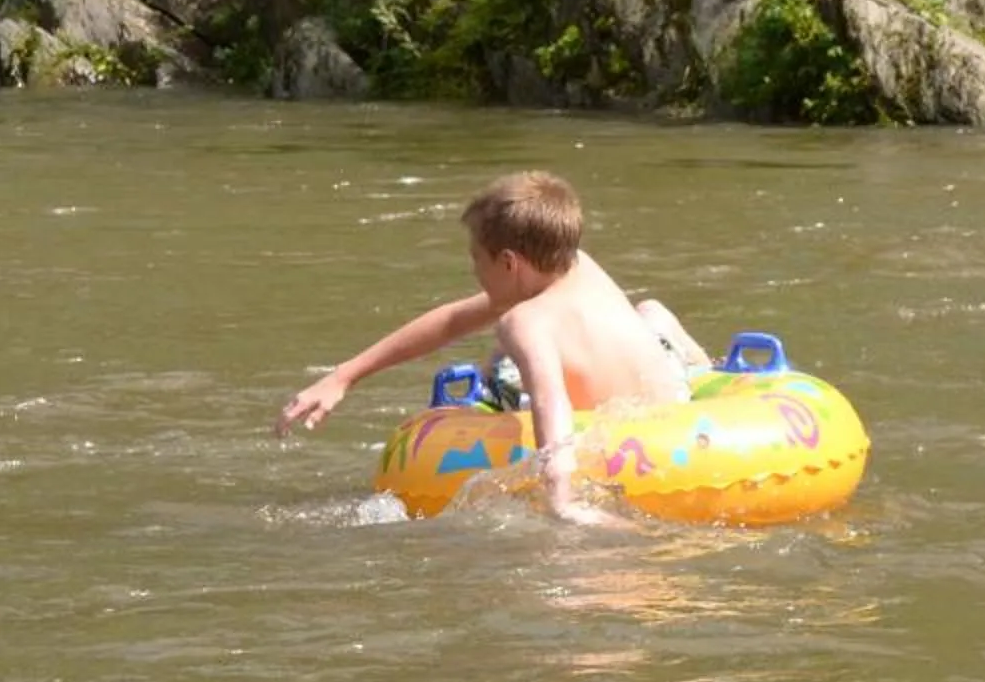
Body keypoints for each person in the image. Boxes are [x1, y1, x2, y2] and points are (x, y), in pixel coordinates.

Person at [278, 171, 709, 521]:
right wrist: (345, 375)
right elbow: (453, 320)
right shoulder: (579, 264)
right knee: (648, 315)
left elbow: (549, 399)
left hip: (602, 423)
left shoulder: (524, 322)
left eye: (476, 259)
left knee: (502, 366)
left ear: (508, 263)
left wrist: (562, 495)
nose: (474, 271)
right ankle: (701, 360)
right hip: (674, 394)